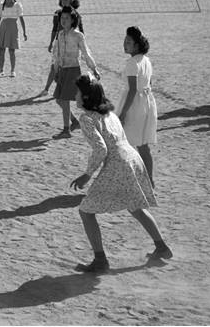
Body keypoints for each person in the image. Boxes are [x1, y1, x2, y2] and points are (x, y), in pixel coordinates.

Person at [70, 74, 172, 273]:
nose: (76, 95)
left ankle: (100, 260)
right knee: (136, 207)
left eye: (78, 92)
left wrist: (87, 174)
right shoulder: (110, 114)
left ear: (86, 97)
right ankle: (162, 248)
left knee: (86, 211)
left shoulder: (86, 119)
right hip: (132, 158)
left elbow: (101, 149)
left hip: (118, 164)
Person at [117, 26, 157, 187]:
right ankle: (149, 180)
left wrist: (122, 113)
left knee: (124, 143)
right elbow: (149, 82)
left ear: (137, 45)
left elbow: (132, 89)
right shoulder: (146, 60)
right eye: (125, 41)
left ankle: (128, 180)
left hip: (134, 105)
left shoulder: (132, 63)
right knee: (143, 144)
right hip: (147, 102)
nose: (125, 44)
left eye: (129, 42)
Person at [51, 7, 100, 139]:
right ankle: (74, 121)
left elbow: (86, 53)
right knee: (59, 100)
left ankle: (66, 130)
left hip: (73, 70)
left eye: (67, 18)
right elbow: (57, 54)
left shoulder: (78, 35)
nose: (64, 20)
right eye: (62, 18)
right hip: (62, 70)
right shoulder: (60, 35)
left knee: (65, 100)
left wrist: (93, 69)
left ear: (73, 20)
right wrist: (56, 70)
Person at [43, 0, 83, 95]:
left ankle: (62, 90)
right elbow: (54, 29)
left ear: (72, 0)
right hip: (59, 43)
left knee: (65, 70)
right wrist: (51, 42)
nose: (64, 1)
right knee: (54, 66)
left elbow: (81, 31)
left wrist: (80, 46)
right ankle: (47, 89)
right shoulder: (57, 13)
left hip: (71, 46)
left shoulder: (76, 15)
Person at [0, 0, 27, 77]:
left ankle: (12, 70)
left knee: (12, 51)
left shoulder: (17, 5)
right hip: (3, 28)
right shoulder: (1, 5)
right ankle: (1, 70)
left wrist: (24, 32)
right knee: (1, 50)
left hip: (13, 29)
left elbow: (21, 19)